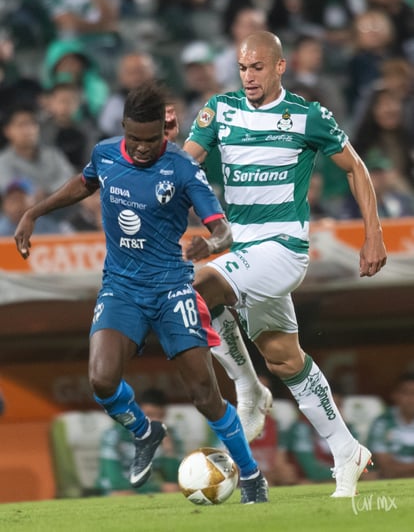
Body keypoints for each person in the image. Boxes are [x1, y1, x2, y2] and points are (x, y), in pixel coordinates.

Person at [14, 80, 268, 504]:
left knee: (205, 395)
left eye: (151, 139)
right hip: (121, 288)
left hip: (172, 289)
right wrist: (34, 213)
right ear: (124, 128)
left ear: (164, 133)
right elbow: (83, 183)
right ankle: (145, 432)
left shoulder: (183, 168)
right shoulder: (106, 153)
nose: (142, 147)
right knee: (101, 379)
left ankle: (251, 474)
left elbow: (222, 227)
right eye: (134, 137)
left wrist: (213, 242)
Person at [183, 31, 387, 498]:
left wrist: (372, 232)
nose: (248, 76)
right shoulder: (220, 111)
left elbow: (355, 167)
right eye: (242, 67)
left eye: (257, 67)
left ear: (280, 66)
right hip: (240, 248)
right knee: (284, 358)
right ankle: (347, 448)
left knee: (191, 291)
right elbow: (182, 166)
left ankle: (246, 387)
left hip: (282, 249)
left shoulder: (306, 116)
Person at [96, 388, 183, 495]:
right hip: (116, 491)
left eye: (159, 416)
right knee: (122, 494)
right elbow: (115, 481)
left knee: (174, 489)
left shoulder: (170, 434)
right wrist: (157, 489)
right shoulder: (115, 434)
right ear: (137, 413)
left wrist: (169, 450)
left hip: (149, 490)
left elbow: (174, 481)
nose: (154, 420)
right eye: (149, 414)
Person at [367, 372, 414, 479]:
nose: (411, 399)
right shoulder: (383, 423)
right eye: (406, 393)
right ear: (395, 395)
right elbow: (387, 469)